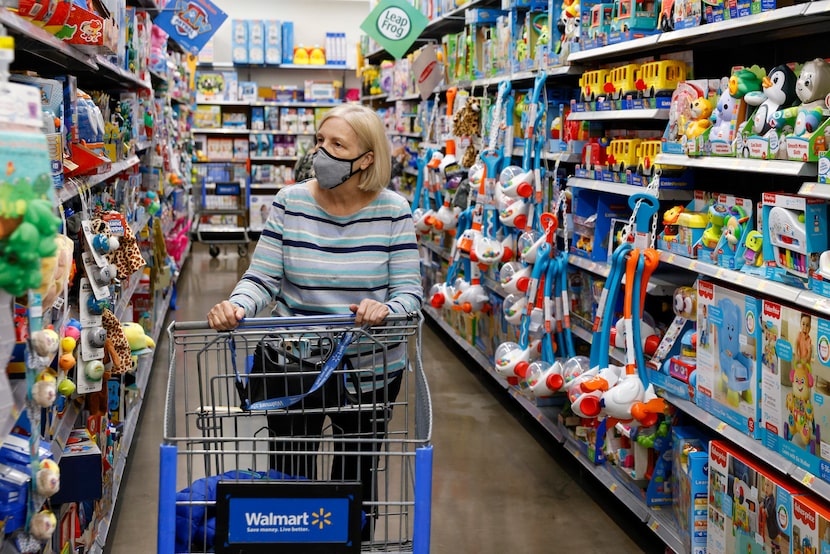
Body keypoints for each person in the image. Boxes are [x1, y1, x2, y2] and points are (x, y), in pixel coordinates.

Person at [208, 103, 423, 539]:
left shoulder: (393, 211)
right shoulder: (290, 203)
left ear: (366, 158)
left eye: (337, 145)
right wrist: (237, 305)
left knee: (355, 474)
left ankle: (350, 541)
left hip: (369, 370)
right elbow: (263, 277)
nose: (322, 153)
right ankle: (290, 543)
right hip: (290, 364)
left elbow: (409, 295)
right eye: (320, 141)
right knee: (291, 472)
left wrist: (387, 310)